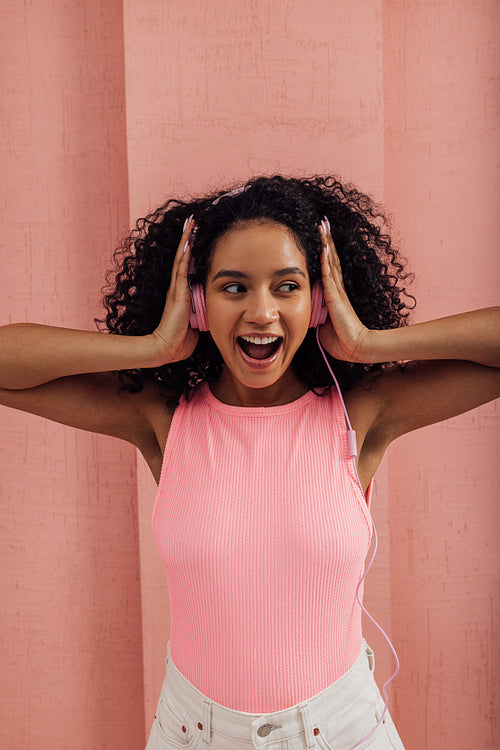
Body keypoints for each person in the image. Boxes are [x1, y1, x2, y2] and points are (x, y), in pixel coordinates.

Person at [1, 175, 498, 750]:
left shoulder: (362, 413)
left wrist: (367, 342)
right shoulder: (162, 418)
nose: (261, 312)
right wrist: (153, 348)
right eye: (233, 288)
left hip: (342, 733)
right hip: (193, 735)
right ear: (197, 303)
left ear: (316, 303)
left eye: (286, 287)